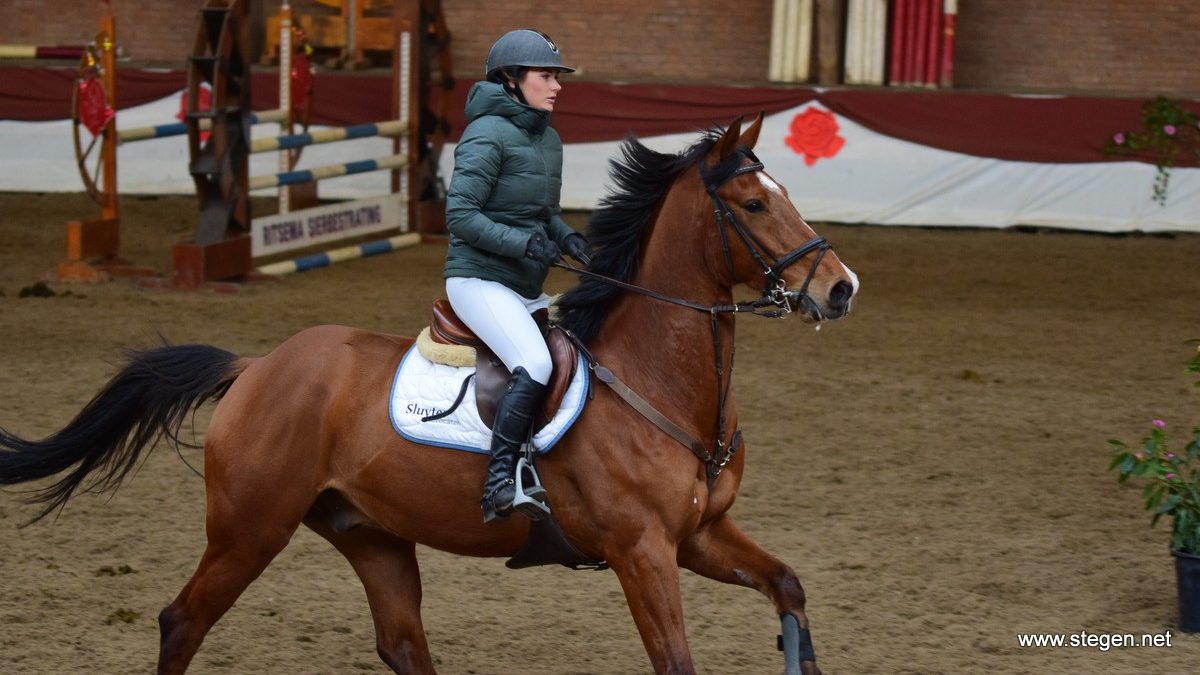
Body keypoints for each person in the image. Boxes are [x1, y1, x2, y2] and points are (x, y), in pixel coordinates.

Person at [443, 29, 592, 523]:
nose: (556, 86)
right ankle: (500, 481)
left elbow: (542, 213)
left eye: (557, 76)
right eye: (546, 76)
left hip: (521, 283)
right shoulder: (485, 134)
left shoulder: (548, 138)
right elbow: (460, 215)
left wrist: (568, 237)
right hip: (478, 279)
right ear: (511, 80)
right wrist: (522, 242)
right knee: (535, 362)